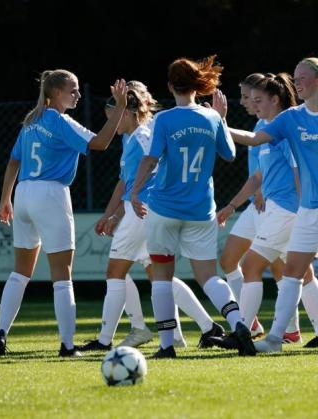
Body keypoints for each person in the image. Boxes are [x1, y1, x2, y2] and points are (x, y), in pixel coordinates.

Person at [213, 57, 318, 352]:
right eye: (296, 78)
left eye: (302, 78)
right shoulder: (291, 117)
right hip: (307, 208)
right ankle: (275, 339)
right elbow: (254, 139)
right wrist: (221, 122)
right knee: (291, 272)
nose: (297, 83)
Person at [0, 70, 127, 357]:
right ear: (55, 94)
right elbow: (100, 143)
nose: (77, 94)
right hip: (51, 194)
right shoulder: (60, 121)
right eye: (72, 90)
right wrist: (120, 109)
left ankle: (0, 335)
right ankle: (66, 345)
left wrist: (6, 198)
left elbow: (14, 161)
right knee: (62, 276)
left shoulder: (31, 121)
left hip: (24, 193)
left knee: (20, 272)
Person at [79, 82, 225, 352]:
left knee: (115, 271)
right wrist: (110, 214)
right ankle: (206, 327)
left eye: (112, 115)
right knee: (157, 276)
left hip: (145, 212)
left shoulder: (145, 136)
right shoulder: (130, 138)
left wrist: (127, 210)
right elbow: (125, 183)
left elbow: (154, 173)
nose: (109, 121)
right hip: (141, 211)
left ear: (127, 112)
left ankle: (105, 340)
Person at [131, 55, 256, 358]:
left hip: (165, 208)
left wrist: (135, 192)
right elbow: (229, 155)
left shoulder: (164, 119)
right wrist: (222, 119)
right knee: (208, 276)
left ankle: (166, 346)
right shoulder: (211, 117)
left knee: (161, 276)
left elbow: (150, 159)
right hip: (202, 210)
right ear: (196, 86)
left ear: (171, 85)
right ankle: (239, 323)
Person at [217, 73, 318, 351]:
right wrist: (232, 205)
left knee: (251, 266)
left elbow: (298, 171)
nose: (253, 104)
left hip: (287, 211)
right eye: (251, 99)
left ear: (275, 99)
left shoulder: (285, 130)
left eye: (258, 100)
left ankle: (244, 330)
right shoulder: (267, 127)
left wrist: (307, 210)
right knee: (301, 274)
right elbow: (258, 175)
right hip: (277, 211)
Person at [218, 73, 267, 338]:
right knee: (228, 261)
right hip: (255, 205)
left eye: (248, 96)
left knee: (293, 273)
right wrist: (232, 205)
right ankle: (251, 326)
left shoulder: (278, 123)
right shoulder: (260, 123)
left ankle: (298, 330)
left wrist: (261, 190)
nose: (244, 102)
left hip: (273, 206)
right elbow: (256, 174)